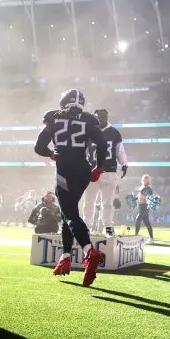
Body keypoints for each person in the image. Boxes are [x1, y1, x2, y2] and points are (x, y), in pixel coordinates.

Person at [34, 89, 108, 286]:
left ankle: (89, 251)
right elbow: (102, 145)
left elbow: (39, 147)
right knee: (70, 212)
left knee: (69, 215)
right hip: (83, 170)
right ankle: (65, 256)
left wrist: (51, 154)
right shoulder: (89, 120)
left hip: (64, 170)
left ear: (63, 102)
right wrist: (98, 167)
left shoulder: (54, 119)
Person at [84, 109, 129, 236]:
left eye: (103, 116)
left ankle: (108, 227)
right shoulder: (90, 131)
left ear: (107, 117)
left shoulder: (114, 132)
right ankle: (87, 226)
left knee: (107, 203)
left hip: (109, 170)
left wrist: (124, 164)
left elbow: (120, 150)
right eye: (98, 117)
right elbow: (84, 151)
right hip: (92, 171)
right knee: (89, 201)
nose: (101, 119)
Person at [135, 175, 158, 243]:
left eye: (146, 179)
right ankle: (151, 238)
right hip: (140, 205)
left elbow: (151, 197)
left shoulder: (148, 188)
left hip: (145, 205)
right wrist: (134, 198)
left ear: (148, 180)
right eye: (144, 178)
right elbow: (139, 195)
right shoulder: (141, 187)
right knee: (147, 222)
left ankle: (135, 236)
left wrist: (149, 205)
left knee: (137, 220)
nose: (145, 179)